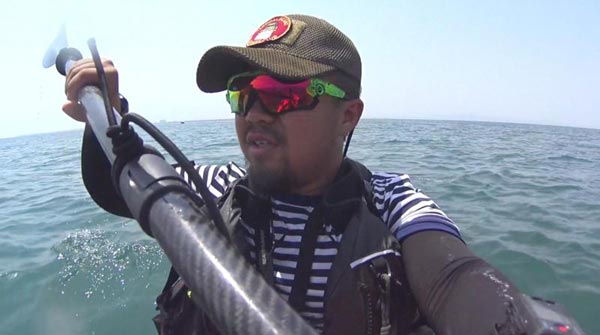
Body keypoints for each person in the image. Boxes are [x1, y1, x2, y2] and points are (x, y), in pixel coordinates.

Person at [63, 14, 531, 335]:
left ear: (348, 115)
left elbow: (457, 279)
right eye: (242, 93)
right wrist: (105, 117)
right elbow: (114, 189)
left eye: (282, 94)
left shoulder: (392, 204)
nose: (255, 113)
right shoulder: (217, 184)